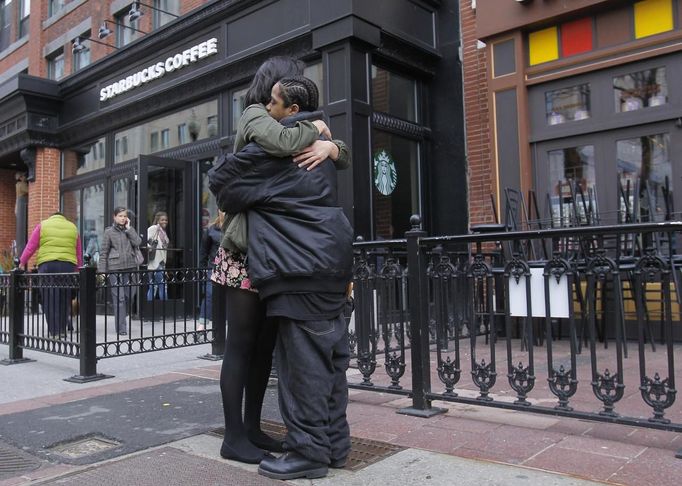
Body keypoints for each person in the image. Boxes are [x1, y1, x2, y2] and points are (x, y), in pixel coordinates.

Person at [208, 56, 349, 465]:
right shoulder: (256, 114)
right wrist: (318, 129)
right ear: (273, 84)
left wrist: (331, 146)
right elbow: (282, 143)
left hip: (275, 253)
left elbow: (338, 156)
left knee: (265, 348)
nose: (296, 87)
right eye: (290, 82)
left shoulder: (290, 118)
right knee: (241, 346)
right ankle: (233, 435)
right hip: (244, 252)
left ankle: (252, 428)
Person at [20, 212, 83, 338]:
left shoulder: (43, 225)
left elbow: (30, 246)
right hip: (68, 265)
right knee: (65, 297)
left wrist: (22, 262)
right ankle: (62, 329)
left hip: (47, 265)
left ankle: (55, 332)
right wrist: (78, 268)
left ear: (51, 217)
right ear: (63, 217)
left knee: (50, 297)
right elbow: (78, 251)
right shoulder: (72, 227)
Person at [99, 207, 142, 335]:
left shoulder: (129, 230)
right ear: (114, 217)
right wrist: (102, 270)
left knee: (130, 295)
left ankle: (122, 317)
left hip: (130, 267)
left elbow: (138, 242)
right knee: (119, 299)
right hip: (115, 269)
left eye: (124, 216)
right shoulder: (109, 232)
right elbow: (103, 252)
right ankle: (122, 328)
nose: (123, 218)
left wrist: (129, 229)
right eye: (120, 216)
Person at [199, 211, 224, 327]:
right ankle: (202, 324)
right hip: (213, 267)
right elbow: (204, 251)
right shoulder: (211, 230)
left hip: (232, 269)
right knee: (209, 295)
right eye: (223, 210)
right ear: (219, 211)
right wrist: (203, 269)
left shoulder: (236, 227)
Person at [147, 211, 169, 301]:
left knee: (154, 287)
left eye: (166, 220)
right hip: (155, 263)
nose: (165, 222)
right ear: (157, 220)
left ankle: (150, 308)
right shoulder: (153, 228)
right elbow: (146, 241)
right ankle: (165, 309)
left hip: (161, 262)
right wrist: (150, 248)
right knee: (162, 286)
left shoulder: (163, 232)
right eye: (162, 220)